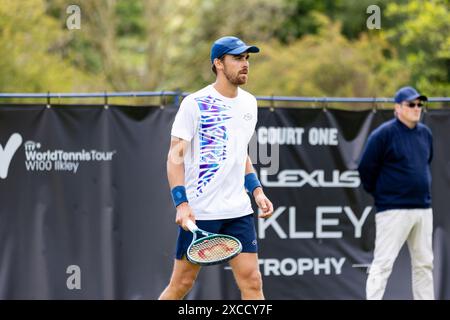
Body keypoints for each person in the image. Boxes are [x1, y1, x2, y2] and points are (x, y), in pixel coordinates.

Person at [158, 36, 274, 300]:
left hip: (239, 211)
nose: (245, 64)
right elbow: (174, 158)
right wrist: (181, 203)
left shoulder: (250, 103)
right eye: (237, 58)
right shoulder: (194, 104)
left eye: (247, 58)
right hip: (201, 212)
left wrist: (256, 191)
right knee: (181, 285)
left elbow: (239, 152)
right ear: (218, 63)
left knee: (253, 282)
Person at [358, 86, 434, 300]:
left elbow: (426, 164)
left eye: (420, 104)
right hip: (393, 210)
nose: (417, 108)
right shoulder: (383, 134)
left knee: (424, 264)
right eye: (411, 104)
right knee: (383, 264)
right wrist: (384, 195)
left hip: (423, 208)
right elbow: (366, 168)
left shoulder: (425, 134)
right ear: (398, 108)